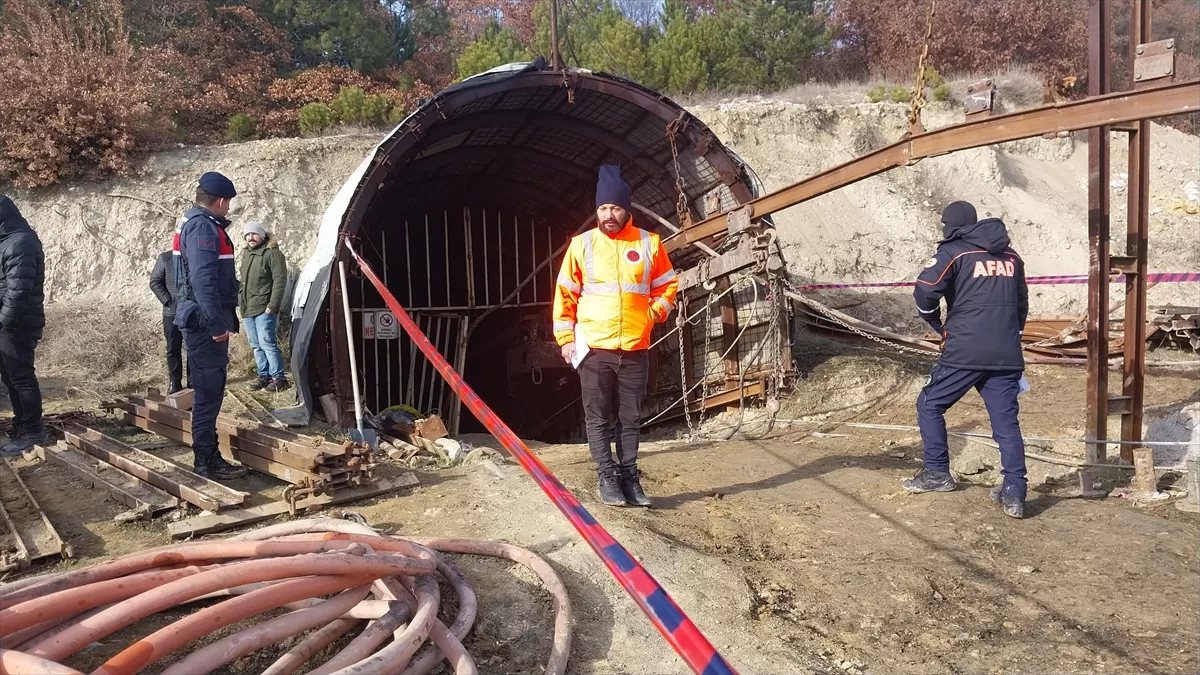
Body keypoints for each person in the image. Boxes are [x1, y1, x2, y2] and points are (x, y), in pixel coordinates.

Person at [552, 165, 679, 507]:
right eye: (603, 208)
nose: (608, 215)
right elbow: (565, 294)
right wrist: (565, 339)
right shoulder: (582, 245)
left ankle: (629, 477)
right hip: (594, 348)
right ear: (597, 210)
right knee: (597, 417)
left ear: (627, 210)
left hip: (635, 348)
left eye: (615, 208)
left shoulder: (649, 243)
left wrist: (654, 314)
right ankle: (606, 476)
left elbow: (668, 285)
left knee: (630, 418)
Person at [904, 201, 1030, 518]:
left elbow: (925, 289)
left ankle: (936, 474)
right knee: (1006, 424)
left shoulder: (955, 252)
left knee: (930, 404)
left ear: (953, 226)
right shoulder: (1012, 257)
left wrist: (936, 325)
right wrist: (1007, 335)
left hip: (964, 351)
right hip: (1006, 354)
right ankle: (1014, 493)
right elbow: (1022, 305)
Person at [173, 172, 248, 481]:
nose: (228, 208)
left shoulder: (192, 224)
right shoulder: (204, 228)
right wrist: (217, 324)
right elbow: (203, 281)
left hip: (198, 320)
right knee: (208, 393)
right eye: (227, 203)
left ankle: (208, 456)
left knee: (208, 391)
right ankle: (206, 461)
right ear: (220, 201)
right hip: (205, 325)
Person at [0, 195, 50, 456]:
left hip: (16, 324)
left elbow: (18, 290)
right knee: (10, 378)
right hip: (7, 323)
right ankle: (22, 426)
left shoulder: (21, 242)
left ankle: (33, 432)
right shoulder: (7, 241)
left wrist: (5, 322)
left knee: (22, 378)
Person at [238, 221, 289, 392]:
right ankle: (263, 376)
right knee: (256, 344)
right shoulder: (246, 253)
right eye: (247, 234)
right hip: (247, 307)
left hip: (264, 308)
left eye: (254, 234)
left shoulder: (272, 254)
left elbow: (280, 281)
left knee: (267, 342)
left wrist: (272, 305)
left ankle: (278, 378)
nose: (250, 237)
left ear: (261, 235)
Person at [149, 224, 190, 394]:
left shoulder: (193, 258)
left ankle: (193, 382)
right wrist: (167, 300)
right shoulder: (165, 258)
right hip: (171, 312)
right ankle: (174, 382)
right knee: (173, 349)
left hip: (190, 312)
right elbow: (154, 281)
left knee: (192, 348)